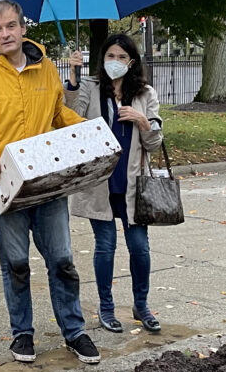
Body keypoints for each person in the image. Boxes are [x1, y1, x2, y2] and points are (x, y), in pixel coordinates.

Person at [0, 0, 100, 365]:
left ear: (22, 28)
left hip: (46, 181)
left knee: (62, 258)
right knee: (16, 262)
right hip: (1, 185)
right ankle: (22, 333)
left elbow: (57, 113)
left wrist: (89, 130)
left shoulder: (46, 70)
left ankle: (74, 331)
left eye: (10, 26)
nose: (5, 34)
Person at [65, 33, 163, 334]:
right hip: (100, 185)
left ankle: (141, 305)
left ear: (131, 62)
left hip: (133, 185)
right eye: (110, 56)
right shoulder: (91, 88)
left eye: (122, 57)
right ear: (103, 58)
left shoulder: (145, 94)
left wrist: (142, 120)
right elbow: (71, 118)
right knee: (105, 247)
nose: (115, 61)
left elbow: (154, 143)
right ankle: (106, 307)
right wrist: (73, 78)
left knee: (140, 248)